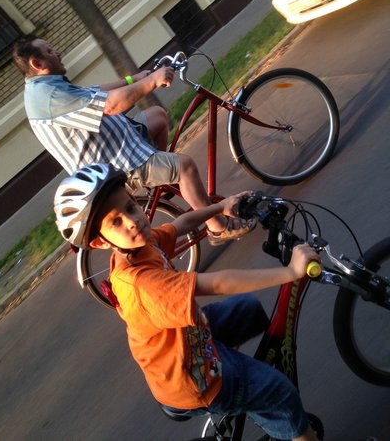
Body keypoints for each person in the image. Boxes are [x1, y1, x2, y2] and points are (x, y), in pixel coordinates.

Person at [54, 163, 319, 441]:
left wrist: (221, 207)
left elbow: (180, 225)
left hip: (187, 340)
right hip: (194, 379)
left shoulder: (140, 247)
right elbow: (217, 283)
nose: (132, 221)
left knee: (247, 310)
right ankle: (249, 396)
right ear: (99, 243)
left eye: (130, 207)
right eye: (116, 222)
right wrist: (291, 272)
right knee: (280, 393)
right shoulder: (140, 284)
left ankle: (245, 389)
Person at [12, 35, 255, 245]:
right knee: (185, 166)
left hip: (124, 142)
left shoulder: (45, 88)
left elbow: (94, 92)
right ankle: (217, 227)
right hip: (120, 164)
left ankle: (160, 184)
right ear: (37, 63)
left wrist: (134, 79)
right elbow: (110, 105)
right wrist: (151, 82)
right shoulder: (49, 97)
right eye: (49, 51)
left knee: (157, 116)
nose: (57, 53)